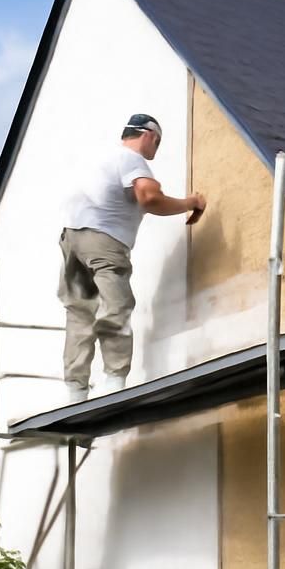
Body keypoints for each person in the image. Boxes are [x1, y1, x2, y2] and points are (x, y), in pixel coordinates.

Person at [59, 113, 205, 402]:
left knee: (80, 312)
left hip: (71, 238)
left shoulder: (100, 157)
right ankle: (114, 381)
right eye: (158, 143)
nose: (156, 151)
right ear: (149, 135)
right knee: (117, 306)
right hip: (104, 239)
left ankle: (75, 391)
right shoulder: (131, 159)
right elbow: (150, 198)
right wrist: (192, 202)